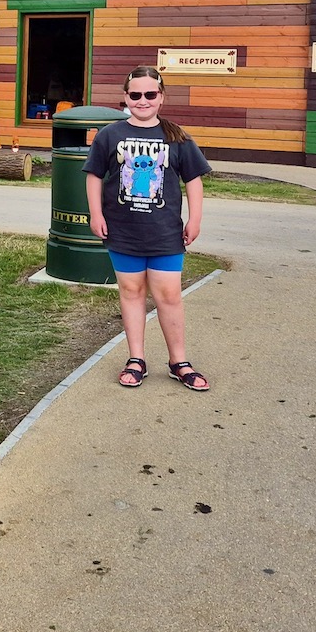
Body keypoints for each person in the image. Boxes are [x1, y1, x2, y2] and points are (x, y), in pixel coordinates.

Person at [85, 65, 211, 391]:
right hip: (123, 231)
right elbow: (94, 176)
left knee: (168, 294)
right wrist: (95, 214)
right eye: (135, 95)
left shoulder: (176, 137)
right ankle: (136, 358)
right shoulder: (110, 135)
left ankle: (179, 362)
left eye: (150, 94)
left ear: (161, 98)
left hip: (165, 232)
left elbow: (193, 180)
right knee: (131, 292)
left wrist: (195, 218)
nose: (143, 100)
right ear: (125, 98)